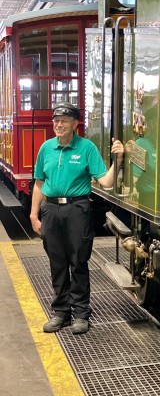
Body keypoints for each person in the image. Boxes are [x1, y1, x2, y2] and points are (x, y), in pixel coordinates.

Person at [30, 102, 124, 335]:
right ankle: (61, 312)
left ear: (75, 124)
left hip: (76, 209)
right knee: (57, 262)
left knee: (78, 261)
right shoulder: (46, 148)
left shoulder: (86, 148)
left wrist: (118, 161)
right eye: (56, 120)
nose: (58, 124)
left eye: (64, 120)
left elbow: (107, 182)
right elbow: (39, 183)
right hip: (50, 209)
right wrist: (34, 214)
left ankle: (81, 313)